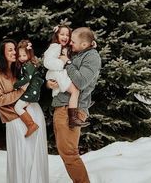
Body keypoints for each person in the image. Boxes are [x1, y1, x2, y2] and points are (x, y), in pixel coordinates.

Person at [0, 38, 49, 183]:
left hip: (33, 112)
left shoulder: (19, 68)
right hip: (14, 118)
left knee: (35, 156)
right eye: (10, 49)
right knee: (22, 156)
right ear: (2, 53)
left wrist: (48, 84)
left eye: (14, 49)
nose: (14, 52)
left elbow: (34, 82)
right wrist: (20, 90)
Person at [47, 27, 101, 183]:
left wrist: (67, 63)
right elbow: (58, 72)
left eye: (73, 41)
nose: (70, 42)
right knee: (65, 151)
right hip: (62, 106)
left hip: (72, 109)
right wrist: (49, 84)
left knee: (69, 152)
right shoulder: (79, 53)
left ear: (84, 44)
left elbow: (81, 81)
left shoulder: (92, 57)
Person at [43, 24, 89, 128]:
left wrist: (90, 45)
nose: (65, 37)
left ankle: (73, 117)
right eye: (62, 34)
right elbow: (47, 62)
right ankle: (72, 118)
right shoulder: (55, 46)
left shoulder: (64, 48)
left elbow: (80, 48)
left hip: (59, 74)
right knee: (75, 91)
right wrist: (62, 62)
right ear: (57, 35)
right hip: (57, 74)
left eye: (67, 35)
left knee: (75, 91)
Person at [13, 39, 44, 137]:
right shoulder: (27, 64)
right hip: (31, 90)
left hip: (31, 91)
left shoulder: (29, 65)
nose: (21, 58)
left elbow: (27, 78)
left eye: (24, 55)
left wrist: (16, 85)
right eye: (19, 56)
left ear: (29, 54)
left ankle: (31, 125)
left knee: (17, 107)